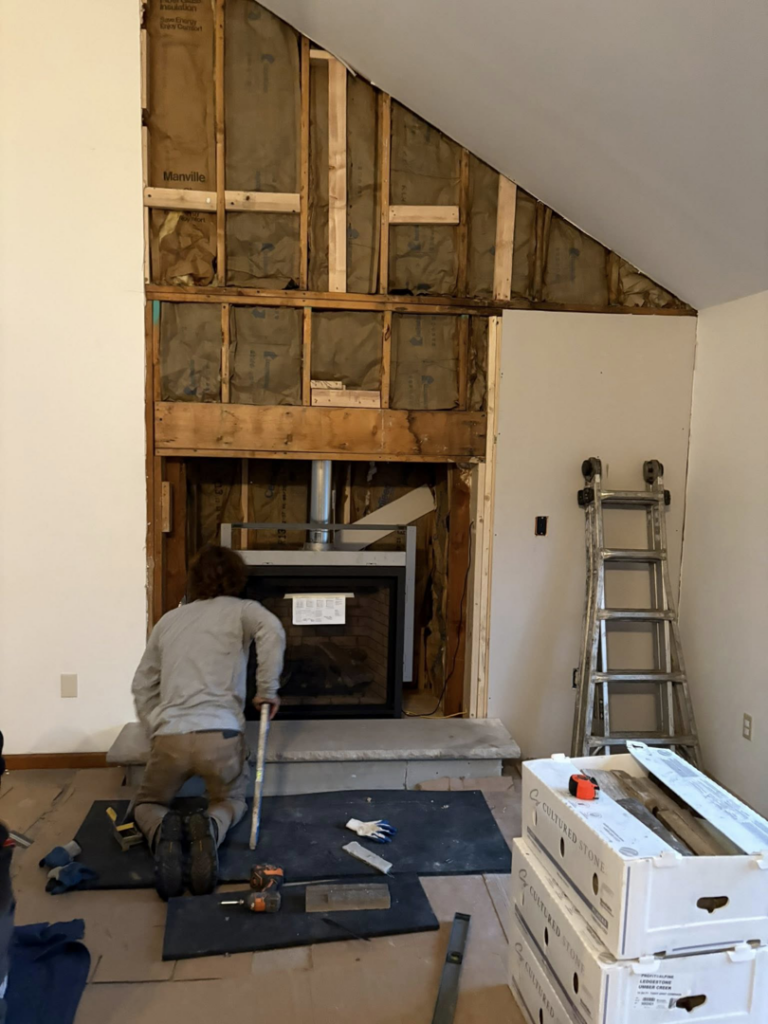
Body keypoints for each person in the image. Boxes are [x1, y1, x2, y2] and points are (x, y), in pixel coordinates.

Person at [131, 544, 285, 901]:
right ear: (237, 578)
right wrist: (267, 690)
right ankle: (211, 827)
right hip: (222, 737)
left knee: (146, 804)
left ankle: (163, 828)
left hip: (171, 738)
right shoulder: (246, 610)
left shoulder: (169, 620)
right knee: (231, 798)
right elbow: (273, 631)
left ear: (194, 579)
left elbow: (142, 684)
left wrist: (155, 727)